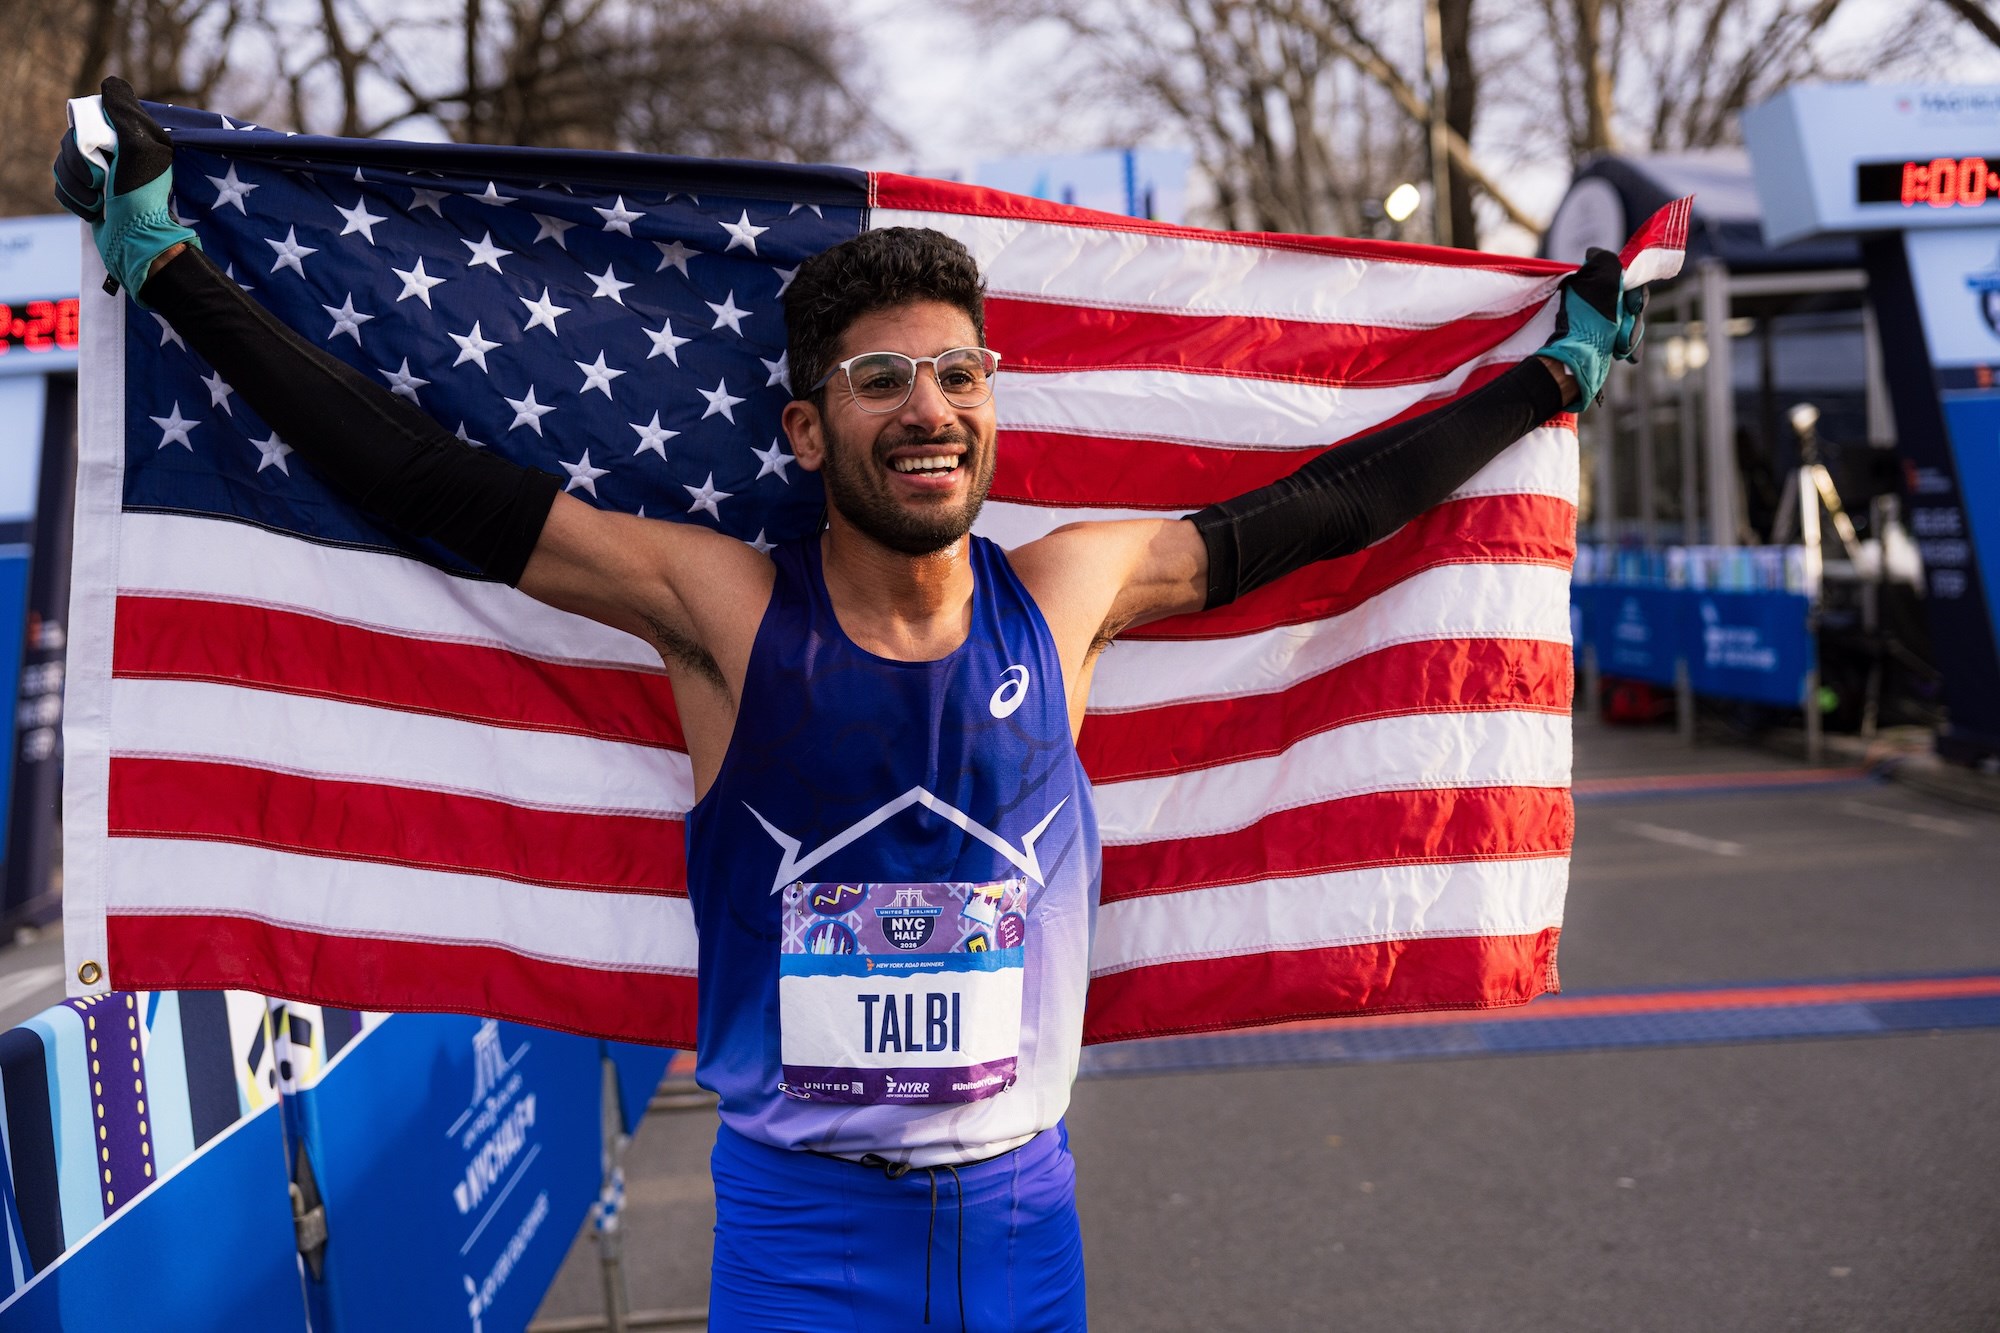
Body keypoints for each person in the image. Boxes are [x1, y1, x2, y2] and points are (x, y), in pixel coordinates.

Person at [57, 78, 1640, 1332]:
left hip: (1026, 1227)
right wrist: (179, 274)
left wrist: (1539, 384)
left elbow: (1330, 509)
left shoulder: (1070, 593)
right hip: (802, 1243)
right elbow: (424, 483)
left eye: (960, 374)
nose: (932, 409)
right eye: (883, 382)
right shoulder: (726, 611)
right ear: (809, 433)